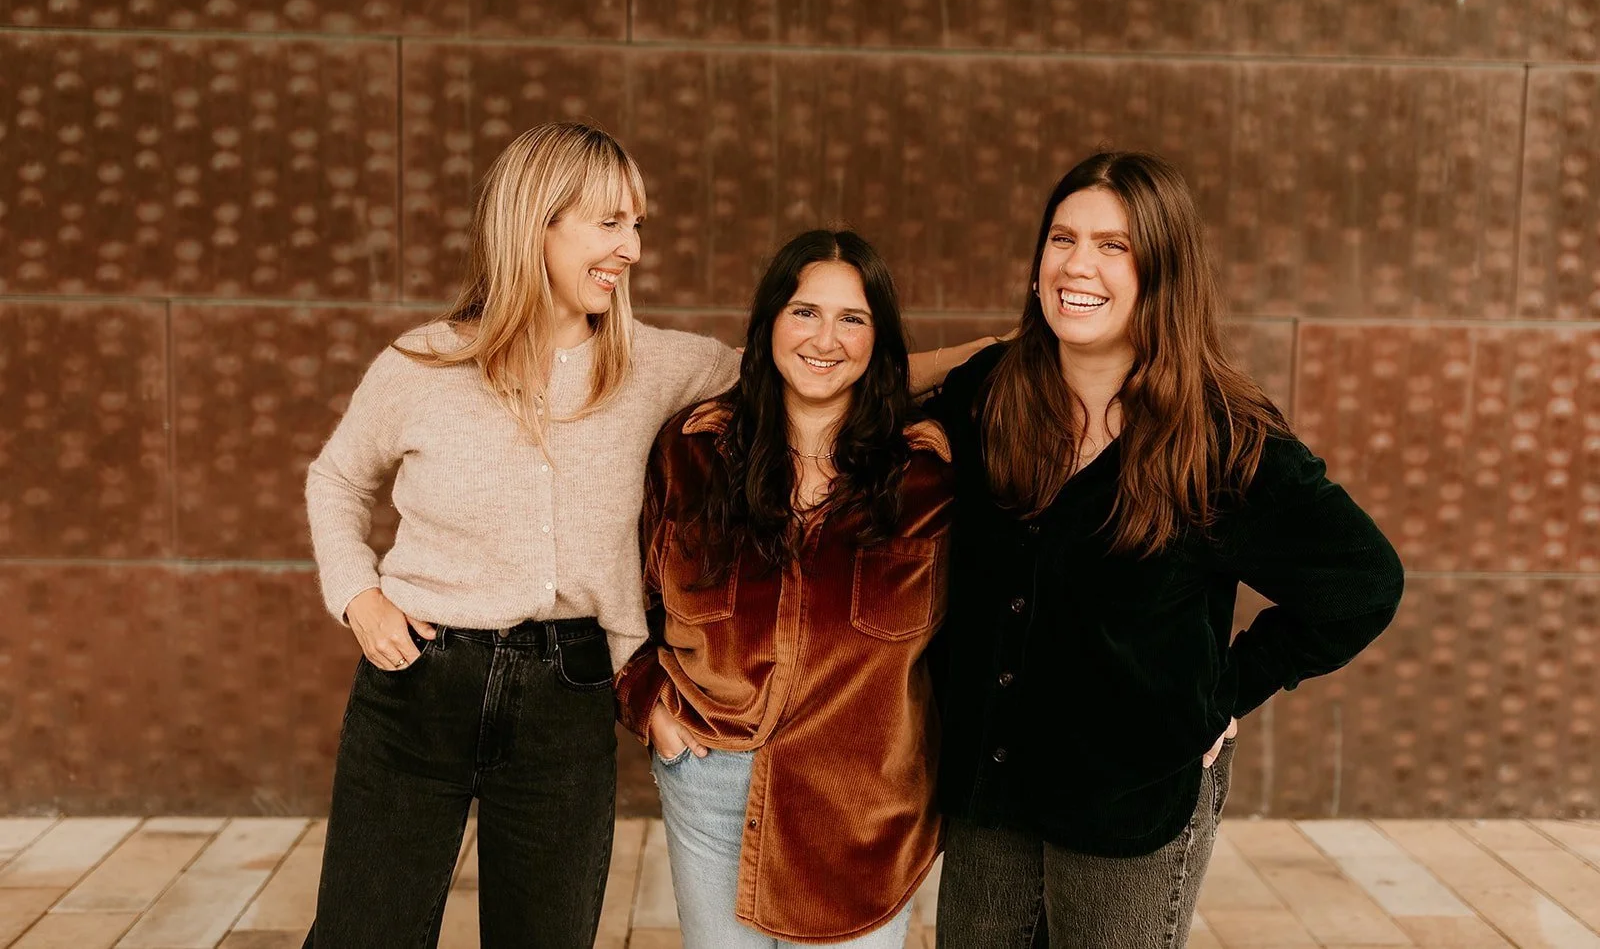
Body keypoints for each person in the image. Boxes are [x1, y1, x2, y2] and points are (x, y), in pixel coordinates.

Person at [301, 123, 992, 948]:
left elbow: (817, 361)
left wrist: (1002, 355)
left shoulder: (658, 365)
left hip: (569, 686)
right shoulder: (424, 363)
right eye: (610, 223)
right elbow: (336, 479)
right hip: (421, 675)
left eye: (638, 226)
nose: (630, 248)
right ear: (538, 222)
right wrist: (359, 594)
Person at [927, 152, 1405, 949]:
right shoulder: (989, 393)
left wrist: (1226, 690)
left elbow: (1364, 581)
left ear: (1165, 271)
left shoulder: (1222, 438)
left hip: (1130, 800)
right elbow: (854, 391)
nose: (1078, 264)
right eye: (1062, 238)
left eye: (1115, 246)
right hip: (992, 792)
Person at [614, 230, 952, 947]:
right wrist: (650, 704)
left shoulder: (927, 476)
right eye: (805, 311)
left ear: (879, 339)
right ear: (769, 321)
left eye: (852, 318)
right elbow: (626, 596)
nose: (825, 337)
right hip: (711, 783)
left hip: (863, 804)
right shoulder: (691, 451)